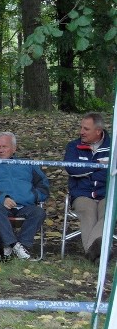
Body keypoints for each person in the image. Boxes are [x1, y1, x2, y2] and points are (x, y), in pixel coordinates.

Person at [0, 132, 49, 260]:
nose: (1, 150)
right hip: (1, 206)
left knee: (39, 212)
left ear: (14, 148)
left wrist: (31, 197)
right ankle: (15, 245)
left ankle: (21, 245)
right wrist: (1, 198)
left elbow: (44, 186)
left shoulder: (28, 164)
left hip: (26, 205)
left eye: (5, 147)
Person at [64, 112, 112, 261]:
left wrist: (87, 170)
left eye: (86, 129)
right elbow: (72, 169)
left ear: (98, 131)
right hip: (82, 194)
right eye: (81, 128)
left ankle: (92, 254)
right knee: (88, 214)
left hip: (107, 193)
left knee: (108, 215)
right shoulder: (73, 146)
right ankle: (100, 253)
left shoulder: (113, 147)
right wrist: (98, 165)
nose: (81, 132)